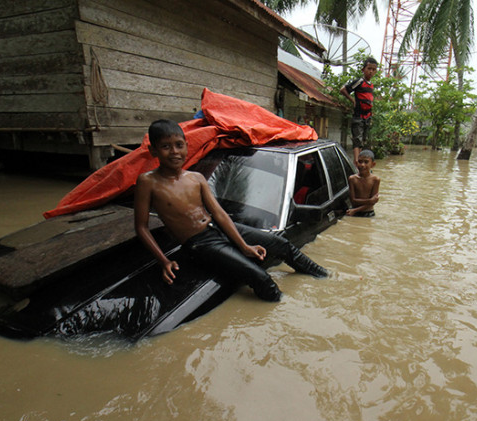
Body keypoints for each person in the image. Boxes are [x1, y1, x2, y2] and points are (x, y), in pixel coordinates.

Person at [134, 119, 328, 302]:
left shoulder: (196, 178)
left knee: (282, 245)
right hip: (199, 243)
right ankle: (282, 309)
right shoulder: (148, 182)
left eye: (179, 145)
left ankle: (326, 277)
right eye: (166, 147)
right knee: (260, 277)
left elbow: (219, 214)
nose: (174, 152)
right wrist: (164, 261)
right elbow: (141, 227)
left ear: (186, 145)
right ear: (153, 151)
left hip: (219, 227)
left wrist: (244, 246)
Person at [340, 57, 378, 163]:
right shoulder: (360, 82)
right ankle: (356, 163)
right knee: (357, 140)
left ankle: (360, 162)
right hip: (358, 115)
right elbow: (343, 89)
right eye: (369, 68)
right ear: (363, 70)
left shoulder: (371, 85)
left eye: (373, 69)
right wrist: (353, 100)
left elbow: (369, 100)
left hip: (367, 116)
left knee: (362, 141)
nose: (371, 71)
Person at [346, 149, 380, 217]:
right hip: (354, 212)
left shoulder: (375, 180)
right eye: (360, 162)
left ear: (373, 164)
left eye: (366, 162)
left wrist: (355, 210)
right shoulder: (352, 179)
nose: (362, 165)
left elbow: (372, 203)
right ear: (356, 163)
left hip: (368, 213)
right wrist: (370, 200)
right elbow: (353, 201)